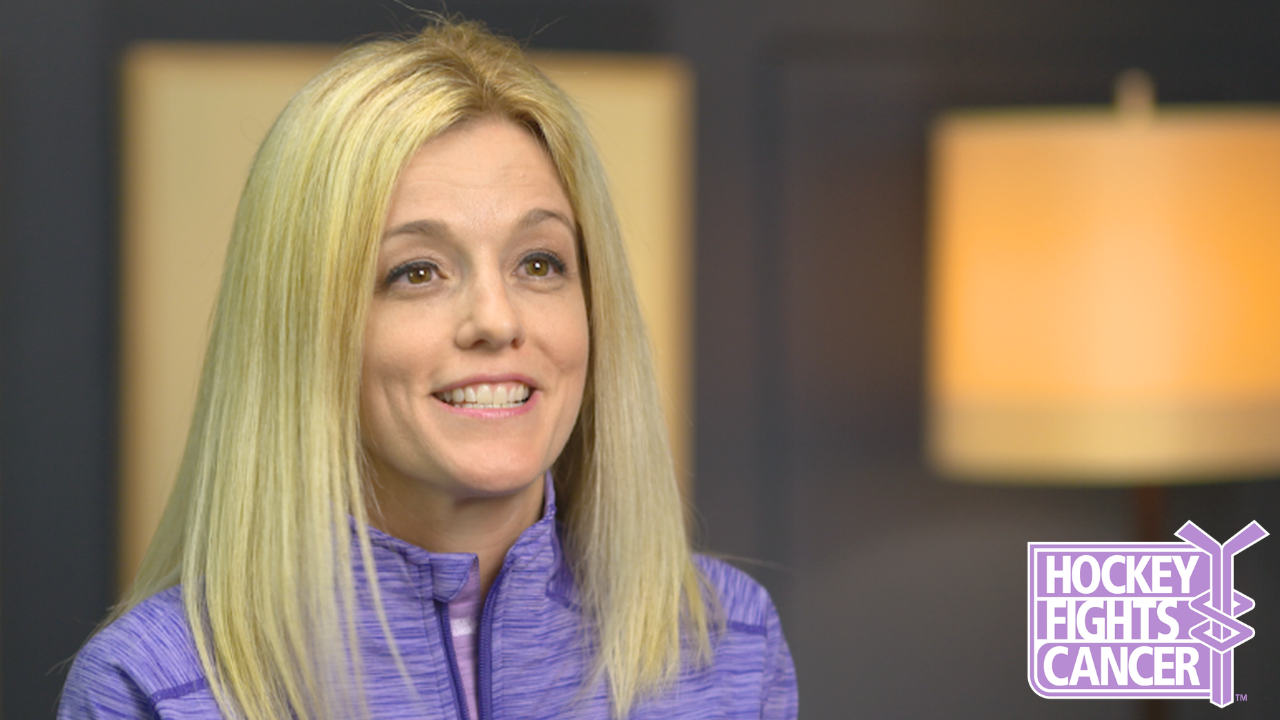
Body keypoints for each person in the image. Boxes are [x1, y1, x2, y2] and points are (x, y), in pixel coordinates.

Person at [59, 19, 796, 720]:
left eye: (539, 263)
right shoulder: (155, 687)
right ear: (304, 331)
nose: (497, 320)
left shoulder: (730, 644)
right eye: (417, 271)